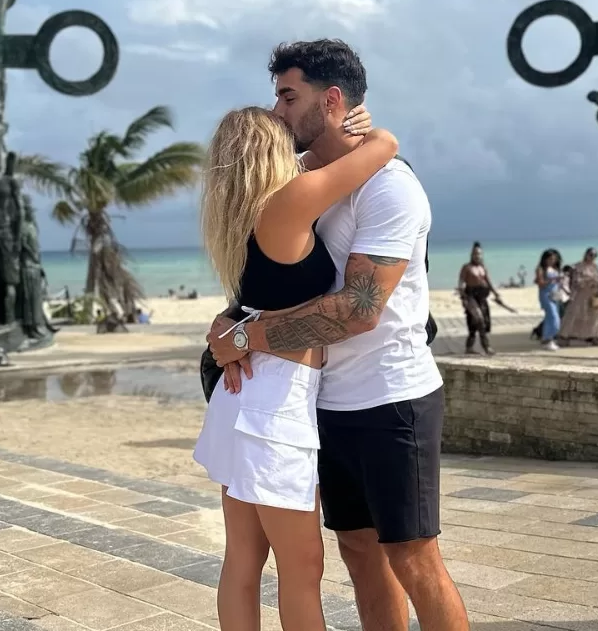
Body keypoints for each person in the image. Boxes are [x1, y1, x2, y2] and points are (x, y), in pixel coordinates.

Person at [207, 39, 468, 631]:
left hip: (390, 398)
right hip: (323, 404)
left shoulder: (389, 187)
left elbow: (359, 309)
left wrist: (246, 338)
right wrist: (231, 321)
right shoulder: (299, 181)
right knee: (359, 553)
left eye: (287, 97)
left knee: (413, 557)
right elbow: (270, 277)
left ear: (330, 100)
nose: (276, 111)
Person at [195, 103, 389, 631]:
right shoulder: (288, 202)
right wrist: (362, 125)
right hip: (275, 404)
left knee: (243, 561)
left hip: (243, 394)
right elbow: (384, 149)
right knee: (302, 568)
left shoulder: (238, 215)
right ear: (271, 152)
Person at [457, 242, 505, 354]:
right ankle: (486, 346)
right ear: (471, 254)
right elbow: (461, 282)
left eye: (479, 254)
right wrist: (463, 296)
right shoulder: (467, 267)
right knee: (479, 319)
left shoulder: (482, 267)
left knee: (479, 321)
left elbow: (488, 282)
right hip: (470, 296)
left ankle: (469, 347)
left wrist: (496, 294)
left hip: (482, 297)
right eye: (475, 253)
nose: (477, 256)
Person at [558, 248, 598, 345]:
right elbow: (575, 281)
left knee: (595, 316)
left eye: (594, 255)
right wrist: (587, 281)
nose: (592, 257)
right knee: (574, 314)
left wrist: (597, 284)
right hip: (581, 294)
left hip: (594, 293)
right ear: (586, 254)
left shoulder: (595, 267)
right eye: (590, 255)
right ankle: (564, 336)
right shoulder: (578, 266)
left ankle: (595, 336)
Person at [534, 249, 563, 351]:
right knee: (553, 317)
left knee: (550, 318)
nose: (552, 261)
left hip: (555, 294)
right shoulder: (541, 269)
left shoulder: (555, 268)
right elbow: (540, 283)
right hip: (546, 294)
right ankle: (548, 338)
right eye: (550, 259)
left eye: (554, 259)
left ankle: (548, 338)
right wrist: (552, 280)